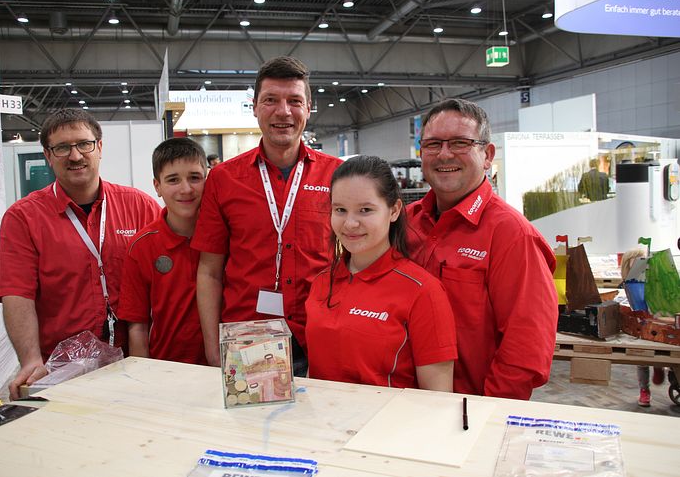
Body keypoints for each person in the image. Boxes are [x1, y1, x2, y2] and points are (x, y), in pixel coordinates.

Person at [192, 56, 342, 375]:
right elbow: (209, 271)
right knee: (248, 425)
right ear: (255, 108)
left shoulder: (339, 176)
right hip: (248, 339)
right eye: (270, 100)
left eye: (294, 101)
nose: (283, 111)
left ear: (309, 107)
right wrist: (211, 345)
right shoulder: (224, 179)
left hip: (321, 336)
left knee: (319, 423)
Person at [0, 109, 160, 400]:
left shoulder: (141, 207)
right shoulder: (23, 218)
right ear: (48, 155)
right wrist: (31, 360)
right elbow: (17, 294)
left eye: (84, 144)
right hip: (62, 369)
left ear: (99, 147)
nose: (75, 156)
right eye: (62, 148)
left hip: (139, 359)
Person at [406, 98, 558, 400]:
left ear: (487, 155)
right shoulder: (405, 223)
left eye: (460, 143)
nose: (444, 154)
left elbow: (526, 348)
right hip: (399, 402)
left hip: (467, 410)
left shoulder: (512, 235)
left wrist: (488, 415)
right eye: (433, 144)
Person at [305, 156, 457, 390]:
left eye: (365, 210)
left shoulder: (423, 292)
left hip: (387, 424)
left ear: (394, 210)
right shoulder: (322, 282)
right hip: (321, 422)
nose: (350, 223)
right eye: (340, 210)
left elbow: (438, 399)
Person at [116, 138, 207, 365]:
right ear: (157, 186)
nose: (186, 189)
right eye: (173, 180)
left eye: (195, 178)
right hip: (166, 369)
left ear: (208, 179)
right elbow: (138, 325)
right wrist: (143, 380)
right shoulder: (141, 247)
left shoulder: (226, 237)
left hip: (222, 368)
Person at [620, 247, 665, 407]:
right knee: (642, 359)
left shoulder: (652, 279)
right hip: (640, 323)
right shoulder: (628, 284)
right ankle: (644, 390)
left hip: (656, 319)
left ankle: (658, 366)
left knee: (660, 351)